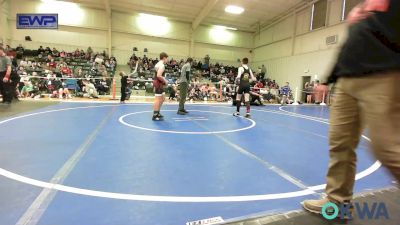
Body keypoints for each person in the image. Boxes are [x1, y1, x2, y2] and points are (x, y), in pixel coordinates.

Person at [303, 0, 400, 216]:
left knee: (388, 148)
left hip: (383, 74)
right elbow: (349, 46)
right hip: (346, 82)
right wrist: (327, 80)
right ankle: (338, 202)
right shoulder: (362, 8)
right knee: (340, 143)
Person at [152, 52, 169, 121]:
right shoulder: (162, 65)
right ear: (164, 58)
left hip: (159, 83)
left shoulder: (158, 64)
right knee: (158, 99)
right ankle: (155, 115)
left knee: (162, 98)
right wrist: (165, 81)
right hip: (158, 83)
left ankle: (157, 112)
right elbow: (159, 75)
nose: (167, 60)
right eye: (167, 58)